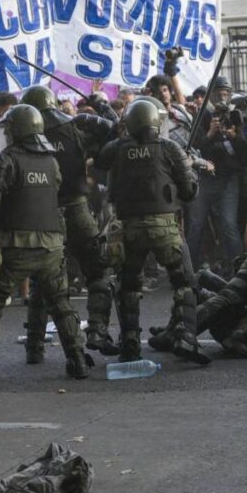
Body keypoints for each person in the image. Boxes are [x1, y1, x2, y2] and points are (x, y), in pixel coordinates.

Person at [0, 105, 91, 382]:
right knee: (61, 304)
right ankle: (77, 361)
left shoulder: (6, 159)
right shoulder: (52, 161)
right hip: (50, 246)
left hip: (13, 246)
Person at [95, 99, 208, 364]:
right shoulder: (169, 147)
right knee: (184, 283)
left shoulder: (116, 148)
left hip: (128, 227)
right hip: (164, 226)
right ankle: (186, 337)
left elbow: (100, 163)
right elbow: (190, 192)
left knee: (128, 284)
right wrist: (189, 168)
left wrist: (119, 134)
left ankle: (130, 341)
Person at [18, 84, 117, 358]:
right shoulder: (74, 128)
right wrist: (100, 107)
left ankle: (34, 345)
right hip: (77, 209)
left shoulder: (24, 135)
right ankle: (97, 329)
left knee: (43, 279)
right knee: (98, 272)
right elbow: (117, 132)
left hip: (43, 214)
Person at [189, 87, 247, 275]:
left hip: (228, 179)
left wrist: (234, 136)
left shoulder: (236, 116)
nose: (222, 96)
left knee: (228, 224)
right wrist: (210, 134)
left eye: (225, 92)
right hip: (205, 178)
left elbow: (246, 152)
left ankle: (239, 270)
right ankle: (189, 269)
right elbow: (195, 146)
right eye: (218, 92)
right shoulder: (202, 117)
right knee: (196, 224)